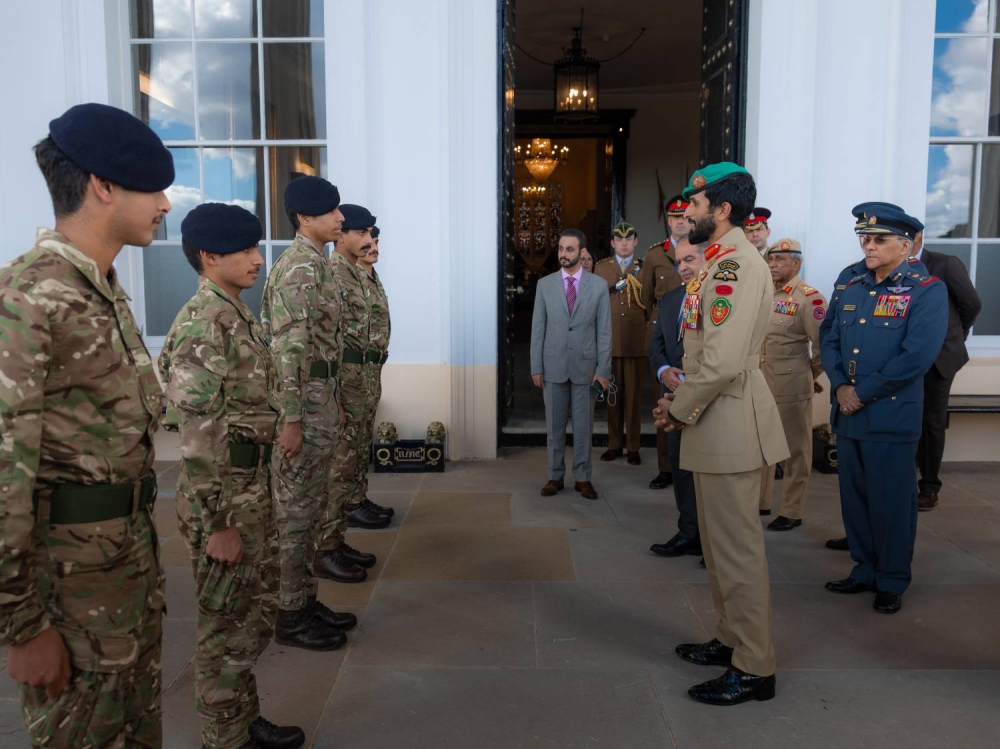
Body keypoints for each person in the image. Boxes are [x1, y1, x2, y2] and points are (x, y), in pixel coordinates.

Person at [0, 103, 171, 746]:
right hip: (68, 602)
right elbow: (3, 474)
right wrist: (21, 626)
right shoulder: (27, 297)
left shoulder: (100, 287)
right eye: (151, 188)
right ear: (102, 185)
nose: (164, 204)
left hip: (123, 575)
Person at [160, 203, 308, 749]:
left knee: (251, 615)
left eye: (256, 247)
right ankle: (224, 737)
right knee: (226, 627)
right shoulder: (204, 322)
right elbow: (198, 436)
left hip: (248, 486)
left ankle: (243, 718)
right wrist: (218, 523)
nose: (256, 259)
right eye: (244, 250)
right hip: (223, 494)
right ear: (209, 256)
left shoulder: (234, 312)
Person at [654, 162, 788, 706]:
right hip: (714, 418)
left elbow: (723, 361)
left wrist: (677, 409)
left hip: (729, 420)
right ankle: (731, 638)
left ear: (723, 209)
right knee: (718, 546)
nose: (687, 210)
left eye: (696, 202)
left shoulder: (735, 266)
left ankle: (754, 667)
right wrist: (682, 404)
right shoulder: (718, 261)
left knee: (737, 553)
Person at [821, 205, 947, 614]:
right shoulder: (850, 280)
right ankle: (864, 570)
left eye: (879, 239)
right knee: (855, 499)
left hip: (891, 416)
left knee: (891, 502)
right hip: (848, 412)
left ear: (905, 245)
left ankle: (891, 578)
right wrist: (840, 385)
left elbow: (916, 356)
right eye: (865, 238)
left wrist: (861, 392)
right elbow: (829, 336)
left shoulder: (926, 289)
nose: (869, 246)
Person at [261, 176, 356, 650]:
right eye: (331, 212)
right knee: (296, 515)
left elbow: (322, 345)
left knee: (313, 508)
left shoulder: (316, 262)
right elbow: (288, 352)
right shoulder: (299, 267)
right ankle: (290, 613)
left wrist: (333, 400)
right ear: (304, 218)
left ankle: (305, 599)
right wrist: (293, 419)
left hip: (320, 401)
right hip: (303, 410)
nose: (340, 218)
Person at [315, 204, 389, 574]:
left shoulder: (358, 273)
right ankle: (325, 549)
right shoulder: (332, 274)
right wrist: (333, 396)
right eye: (362, 232)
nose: (370, 240)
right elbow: (325, 341)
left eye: (371, 233)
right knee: (339, 467)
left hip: (364, 378)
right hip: (346, 382)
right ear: (341, 235)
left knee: (355, 455)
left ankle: (341, 530)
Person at [530, 228, 612, 500]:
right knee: (554, 429)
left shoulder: (598, 286)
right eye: (561, 248)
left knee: (584, 428)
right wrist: (536, 366)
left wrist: (603, 371)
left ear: (581, 252)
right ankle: (554, 476)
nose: (563, 254)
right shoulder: (545, 285)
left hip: (586, 369)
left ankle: (583, 478)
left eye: (569, 249)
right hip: (552, 366)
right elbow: (538, 329)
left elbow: (604, 332)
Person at [757, 239, 828, 531]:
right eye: (770, 259)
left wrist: (808, 376)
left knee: (796, 450)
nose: (773, 264)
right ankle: (761, 502)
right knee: (761, 444)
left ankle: (792, 510)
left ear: (796, 264)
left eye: (780, 260)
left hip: (792, 384)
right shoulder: (763, 293)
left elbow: (823, 348)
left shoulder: (810, 299)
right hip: (760, 381)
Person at [912, 231, 981, 510]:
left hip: (939, 358)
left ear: (917, 238)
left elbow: (971, 304)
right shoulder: (890, 266)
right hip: (905, 357)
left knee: (931, 423)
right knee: (905, 418)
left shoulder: (944, 264)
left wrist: (955, 334)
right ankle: (902, 480)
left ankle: (929, 488)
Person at [648, 241, 708, 559]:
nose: (683, 267)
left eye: (690, 259)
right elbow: (656, 343)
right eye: (678, 262)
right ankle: (689, 534)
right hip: (673, 397)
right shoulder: (671, 299)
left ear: (707, 259)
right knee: (681, 466)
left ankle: (714, 543)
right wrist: (663, 371)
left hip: (708, 398)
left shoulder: (719, 297)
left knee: (709, 473)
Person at [594, 220, 649, 465]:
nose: (624, 243)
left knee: (634, 399)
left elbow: (650, 303)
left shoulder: (644, 267)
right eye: (619, 239)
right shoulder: (601, 268)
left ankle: (633, 446)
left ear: (635, 241)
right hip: (611, 340)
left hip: (636, 341)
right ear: (612, 242)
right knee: (613, 397)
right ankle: (614, 444)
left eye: (628, 239)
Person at [641, 195, 686, 489]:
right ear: (669, 220)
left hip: (695, 337)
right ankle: (665, 468)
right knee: (664, 400)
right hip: (664, 335)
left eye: (685, 216)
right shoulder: (656, 254)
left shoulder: (704, 249)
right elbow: (645, 298)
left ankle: (688, 464)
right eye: (675, 217)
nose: (680, 221)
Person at [353, 224, 395, 521]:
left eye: (376, 241)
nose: (374, 247)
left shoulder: (371, 276)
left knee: (361, 440)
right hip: (353, 372)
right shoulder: (347, 277)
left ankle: (358, 497)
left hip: (371, 371)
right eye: (368, 241)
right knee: (349, 445)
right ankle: (349, 505)